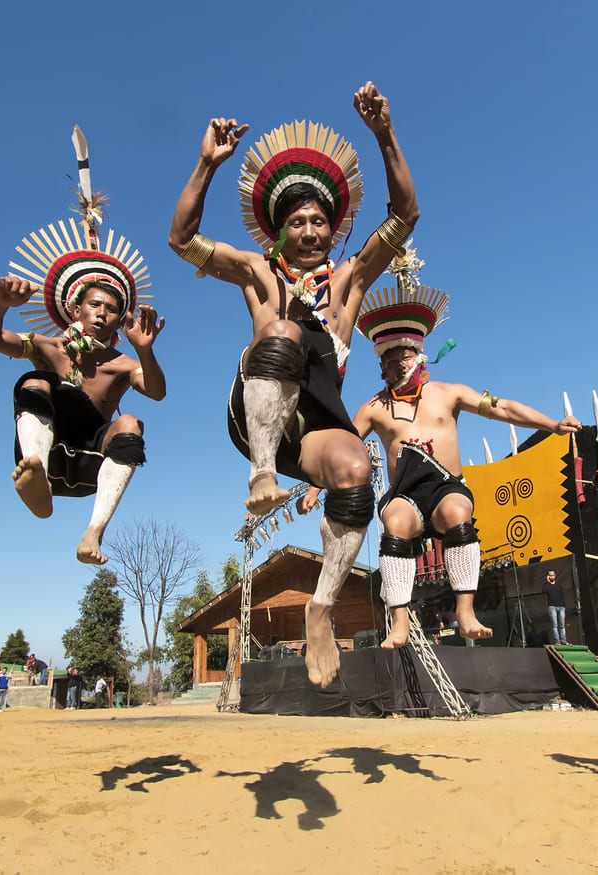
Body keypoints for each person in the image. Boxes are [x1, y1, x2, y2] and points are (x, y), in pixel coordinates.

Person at [168, 82, 419, 687]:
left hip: (314, 429)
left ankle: (322, 605)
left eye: (319, 222)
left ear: (333, 231)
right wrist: (206, 163)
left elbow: (404, 214)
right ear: (278, 232)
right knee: (281, 331)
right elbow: (181, 240)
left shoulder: (349, 284)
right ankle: (260, 476)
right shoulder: (257, 273)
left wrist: (384, 135)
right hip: (257, 412)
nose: (309, 230)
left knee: (357, 467)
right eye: (297, 221)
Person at [307, 279, 579, 648]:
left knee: (456, 511)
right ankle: (400, 623)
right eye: (386, 359)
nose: (394, 364)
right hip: (406, 493)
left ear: (418, 355)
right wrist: (315, 485)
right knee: (394, 521)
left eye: (401, 355)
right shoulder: (373, 408)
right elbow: (341, 448)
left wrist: (550, 423)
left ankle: (466, 612)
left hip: (446, 485)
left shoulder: (448, 393)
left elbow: (503, 408)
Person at [0, 127, 166, 565]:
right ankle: (36, 476)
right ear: (76, 309)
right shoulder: (48, 346)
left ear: (120, 319)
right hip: (45, 455)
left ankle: (93, 534)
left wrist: (146, 350)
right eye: (95, 304)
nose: (102, 313)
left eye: (111, 309)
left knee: (132, 422)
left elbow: (156, 391)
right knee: (37, 381)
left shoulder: (120, 364)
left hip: (88, 468)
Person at [545, 570, 568, 645]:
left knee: (562, 625)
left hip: (561, 606)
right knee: (555, 625)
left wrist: (563, 606)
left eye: (553, 575)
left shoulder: (558, 585)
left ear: (555, 576)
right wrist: (548, 582)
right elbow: (544, 590)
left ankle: (564, 641)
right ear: (548, 576)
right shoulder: (547, 585)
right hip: (552, 607)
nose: (552, 576)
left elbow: (562, 595)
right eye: (550, 575)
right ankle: (557, 641)